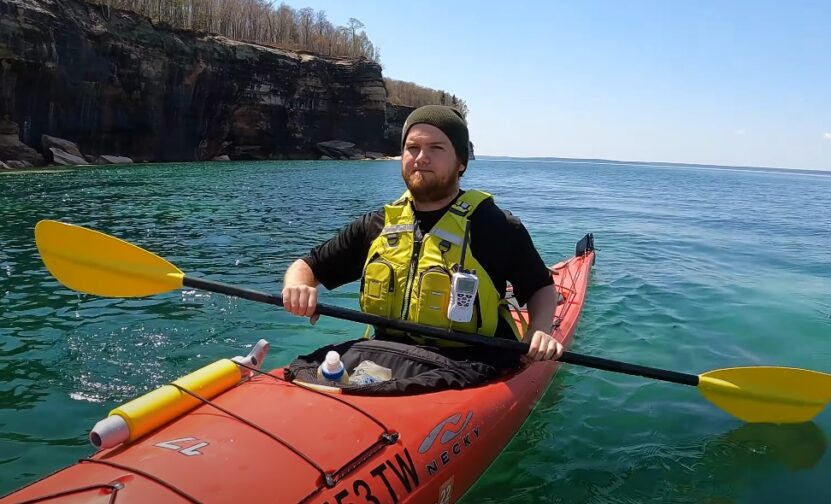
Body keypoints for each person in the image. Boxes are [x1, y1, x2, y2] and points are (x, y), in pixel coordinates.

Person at [282, 105, 563, 362]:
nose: (421, 158)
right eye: (412, 148)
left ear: (461, 162)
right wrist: (298, 286)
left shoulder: (495, 225)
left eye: (436, 148)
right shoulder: (377, 224)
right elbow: (307, 265)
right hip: (385, 357)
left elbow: (541, 287)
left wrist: (539, 331)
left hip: (471, 363)